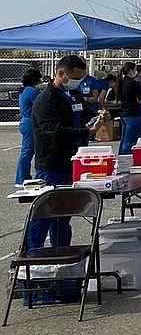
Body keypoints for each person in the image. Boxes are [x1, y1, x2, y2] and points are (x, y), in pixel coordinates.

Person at [28, 55, 88, 249]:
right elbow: (53, 131)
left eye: (80, 78)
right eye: (74, 78)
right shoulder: (46, 99)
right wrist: (84, 131)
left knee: (63, 215)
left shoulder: (74, 95)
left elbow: (86, 112)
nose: (77, 82)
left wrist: (99, 115)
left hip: (73, 161)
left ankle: (61, 254)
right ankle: (30, 258)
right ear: (61, 73)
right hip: (52, 163)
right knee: (44, 214)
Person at [16, 69, 41, 185]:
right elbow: (41, 104)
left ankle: (23, 177)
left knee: (27, 151)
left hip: (25, 122)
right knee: (28, 151)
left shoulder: (25, 90)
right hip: (31, 123)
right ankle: (22, 178)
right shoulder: (32, 91)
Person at [118, 62, 141, 154]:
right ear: (131, 71)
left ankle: (121, 157)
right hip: (134, 114)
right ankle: (126, 159)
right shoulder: (134, 84)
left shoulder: (121, 82)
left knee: (124, 139)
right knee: (131, 140)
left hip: (124, 113)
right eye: (135, 70)